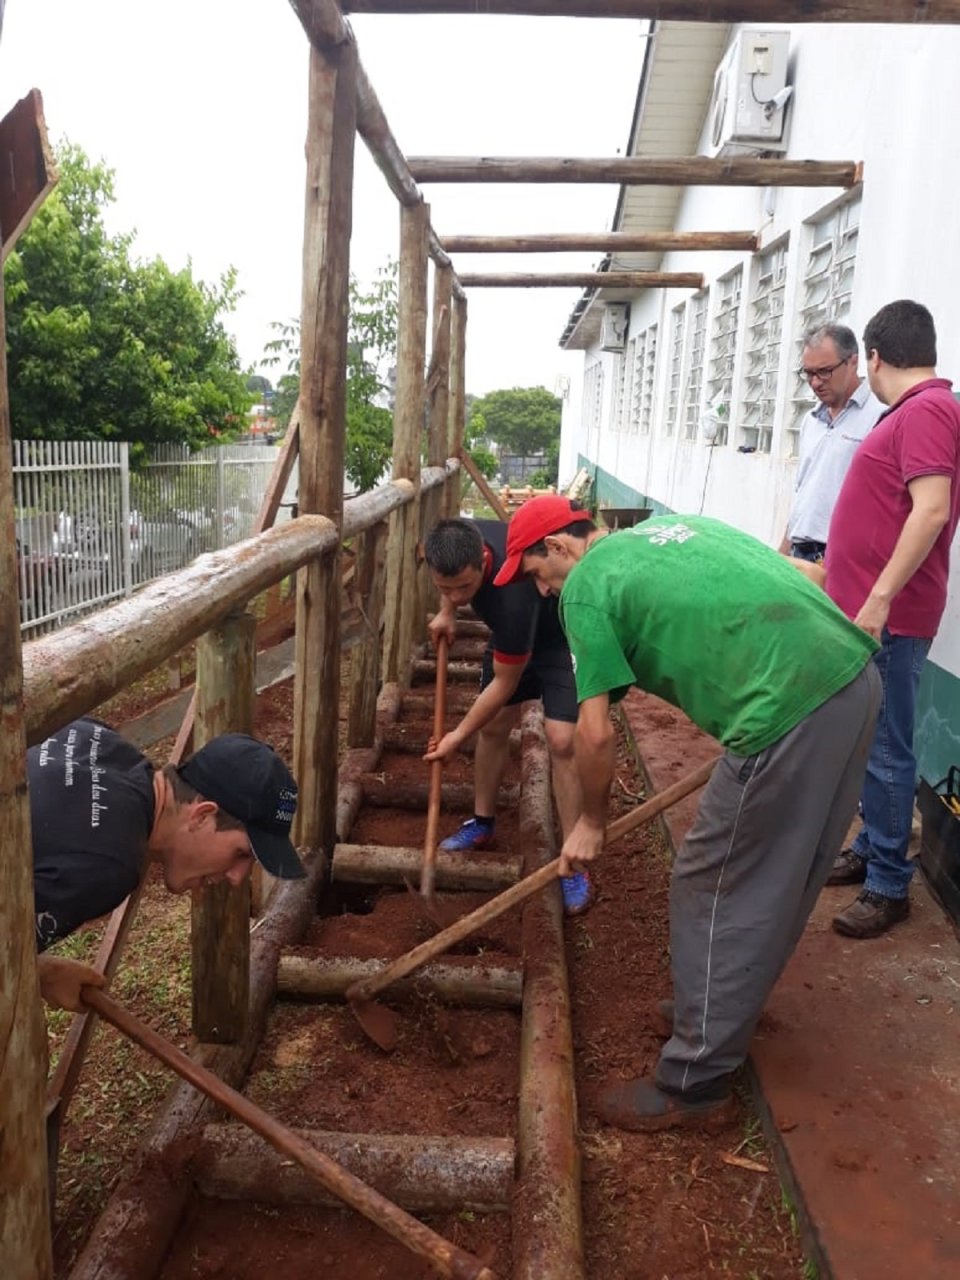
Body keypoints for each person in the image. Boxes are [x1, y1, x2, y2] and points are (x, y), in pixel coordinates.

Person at [494, 496, 880, 1130]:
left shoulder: (586, 588)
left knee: (709, 880)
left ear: (562, 547)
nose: (540, 589)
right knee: (787, 873)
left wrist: (590, 822)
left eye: (537, 572)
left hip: (787, 710)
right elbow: (807, 576)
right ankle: (719, 1008)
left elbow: (593, 736)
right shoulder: (674, 528)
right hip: (852, 674)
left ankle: (694, 1082)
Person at [823, 299, 960, 938]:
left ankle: (888, 884)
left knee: (885, 749)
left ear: (873, 358)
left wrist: (876, 600)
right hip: (872, 617)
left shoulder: (928, 409)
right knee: (868, 745)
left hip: (891, 619)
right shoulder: (914, 412)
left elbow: (930, 511)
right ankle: (871, 846)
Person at [33, 717, 305, 1010]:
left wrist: (39, 971)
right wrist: (35, 973)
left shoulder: (95, 734)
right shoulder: (109, 865)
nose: (238, 877)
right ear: (201, 816)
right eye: (241, 853)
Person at [423, 516, 590, 915]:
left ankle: (573, 862)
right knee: (495, 727)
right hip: (511, 642)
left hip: (560, 642)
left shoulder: (511, 595)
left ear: (484, 559)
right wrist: (446, 610)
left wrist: (455, 737)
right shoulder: (453, 538)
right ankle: (483, 822)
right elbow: (451, 582)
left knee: (563, 740)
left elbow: (503, 686)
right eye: (445, 588)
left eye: (464, 587)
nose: (458, 596)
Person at [778, 323, 885, 563]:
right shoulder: (811, 421)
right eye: (808, 373)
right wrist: (781, 554)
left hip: (842, 556)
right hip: (800, 551)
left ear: (853, 362)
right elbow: (804, 494)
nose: (815, 383)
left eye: (824, 371)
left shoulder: (880, 418)